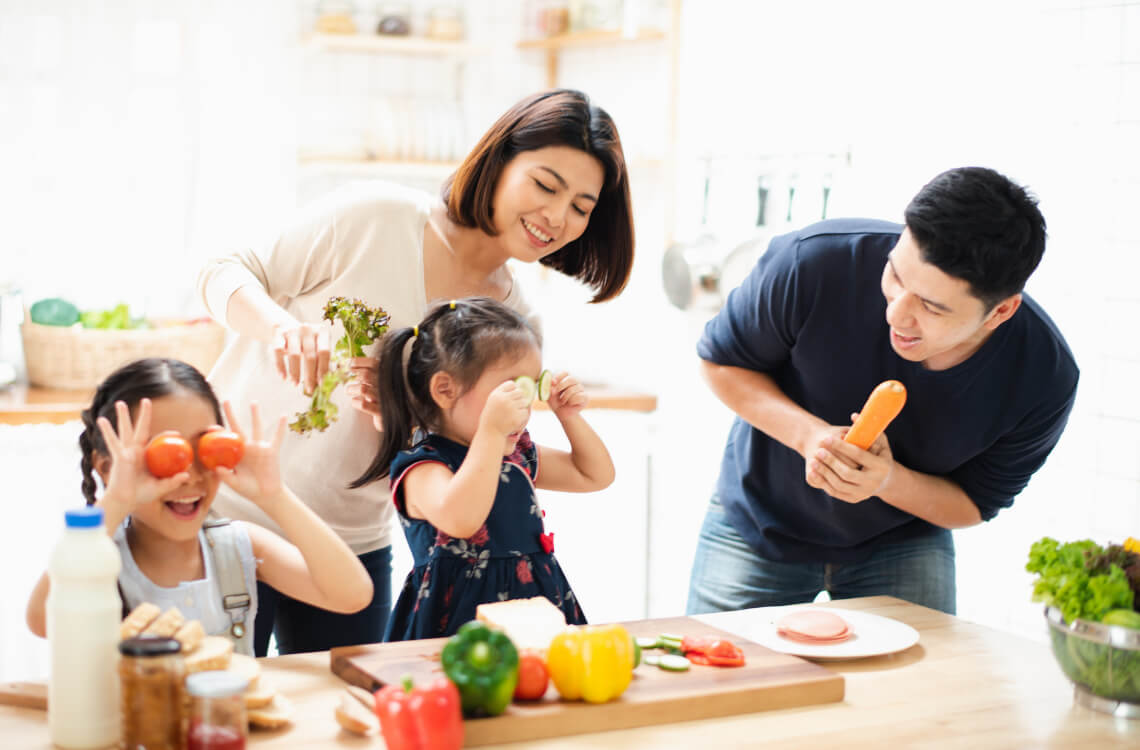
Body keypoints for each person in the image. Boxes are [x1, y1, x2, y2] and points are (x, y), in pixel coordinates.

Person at [196, 89, 634, 654]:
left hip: (352, 543)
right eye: (546, 185)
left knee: (348, 720)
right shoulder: (376, 217)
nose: (557, 216)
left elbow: (460, 453)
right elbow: (221, 272)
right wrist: (280, 328)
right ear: (499, 161)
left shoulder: (516, 323)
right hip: (227, 513)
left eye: (581, 205)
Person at [687, 167, 1078, 616]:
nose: (897, 314)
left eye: (931, 307)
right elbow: (720, 361)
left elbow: (973, 504)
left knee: (914, 687)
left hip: (901, 540)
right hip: (758, 520)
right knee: (716, 678)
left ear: (1001, 311)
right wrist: (809, 437)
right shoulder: (812, 262)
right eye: (895, 275)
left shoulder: (1042, 376)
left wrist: (887, 482)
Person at [25, 358, 373, 655]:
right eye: (166, 454)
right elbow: (42, 619)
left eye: (206, 448)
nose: (189, 475)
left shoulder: (240, 546)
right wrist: (116, 499)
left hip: (223, 729)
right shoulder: (95, 561)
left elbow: (352, 595)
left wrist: (274, 496)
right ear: (107, 467)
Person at [352, 296, 614, 640]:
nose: (523, 406)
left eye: (530, 387)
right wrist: (491, 432)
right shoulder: (422, 467)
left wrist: (569, 417)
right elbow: (461, 519)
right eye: (510, 390)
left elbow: (593, 475)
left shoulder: (516, 455)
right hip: (457, 628)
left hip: (534, 612)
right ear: (445, 389)